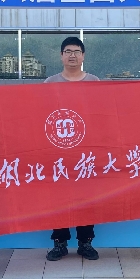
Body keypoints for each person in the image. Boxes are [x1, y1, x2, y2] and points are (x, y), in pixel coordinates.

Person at [43, 36, 101, 262]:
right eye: (68, 51)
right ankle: (60, 243)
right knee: (59, 198)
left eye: (77, 51)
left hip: (85, 151)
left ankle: (86, 242)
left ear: (83, 56)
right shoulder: (50, 83)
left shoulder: (94, 82)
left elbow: (101, 115)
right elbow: (41, 115)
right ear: (61, 56)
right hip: (58, 150)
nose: (72, 55)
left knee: (86, 197)